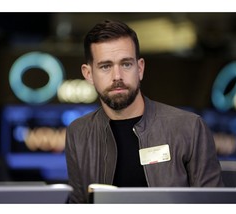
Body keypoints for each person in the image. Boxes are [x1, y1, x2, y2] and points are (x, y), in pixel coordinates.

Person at [65, 19, 224, 203]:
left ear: (139, 68)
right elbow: (77, 206)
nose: (117, 76)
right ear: (88, 74)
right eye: (105, 66)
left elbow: (214, 206)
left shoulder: (189, 128)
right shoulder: (78, 133)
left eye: (126, 64)